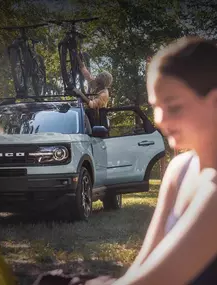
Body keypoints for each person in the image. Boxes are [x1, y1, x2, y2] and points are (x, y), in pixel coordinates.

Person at [87, 36, 217, 285]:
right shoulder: (179, 170)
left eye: (174, 107)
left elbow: (157, 279)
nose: (159, 120)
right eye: (155, 106)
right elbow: (143, 266)